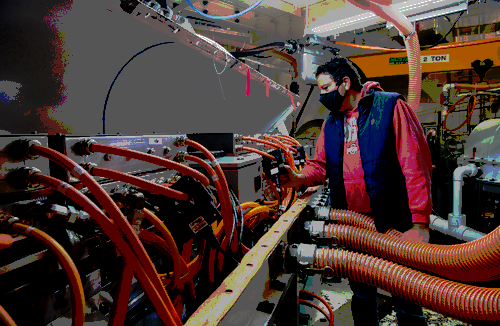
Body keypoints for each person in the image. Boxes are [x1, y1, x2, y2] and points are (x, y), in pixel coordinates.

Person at [281, 57, 432, 325]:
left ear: (345, 83)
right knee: (362, 294)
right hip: (353, 225)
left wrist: (420, 222)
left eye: (326, 88)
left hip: (393, 221)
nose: (323, 95)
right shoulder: (332, 122)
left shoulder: (390, 107)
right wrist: (297, 178)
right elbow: (320, 165)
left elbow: (415, 165)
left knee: (406, 292)